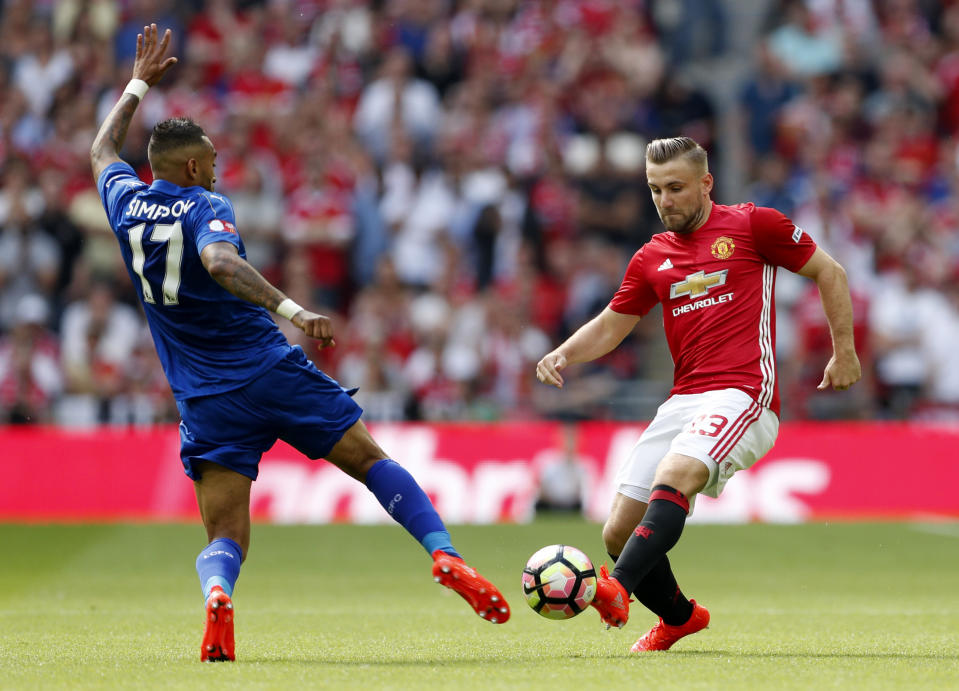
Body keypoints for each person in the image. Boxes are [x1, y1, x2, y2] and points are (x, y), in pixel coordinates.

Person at [90, 25, 509, 663]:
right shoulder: (207, 205)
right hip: (268, 368)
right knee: (372, 462)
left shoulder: (125, 202)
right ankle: (446, 555)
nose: (219, 165)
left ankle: (217, 593)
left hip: (204, 397)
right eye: (213, 158)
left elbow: (100, 149)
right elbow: (222, 264)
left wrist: (139, 82)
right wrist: (293, 309)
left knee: (225, 533)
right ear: (197, 167)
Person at [535, 136, 861, 652]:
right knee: (618, 529)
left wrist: (844, 351)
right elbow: (611, 326)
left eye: (676, 188)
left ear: (706, 183)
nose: (665, 200)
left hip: (744, 393)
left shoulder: (755, 226)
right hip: (683, 399)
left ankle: (616, 587)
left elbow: (831, 271)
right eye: (655, 189)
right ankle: (680, 618)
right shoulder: (652, 257)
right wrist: (564, 353)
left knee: (675, 476)